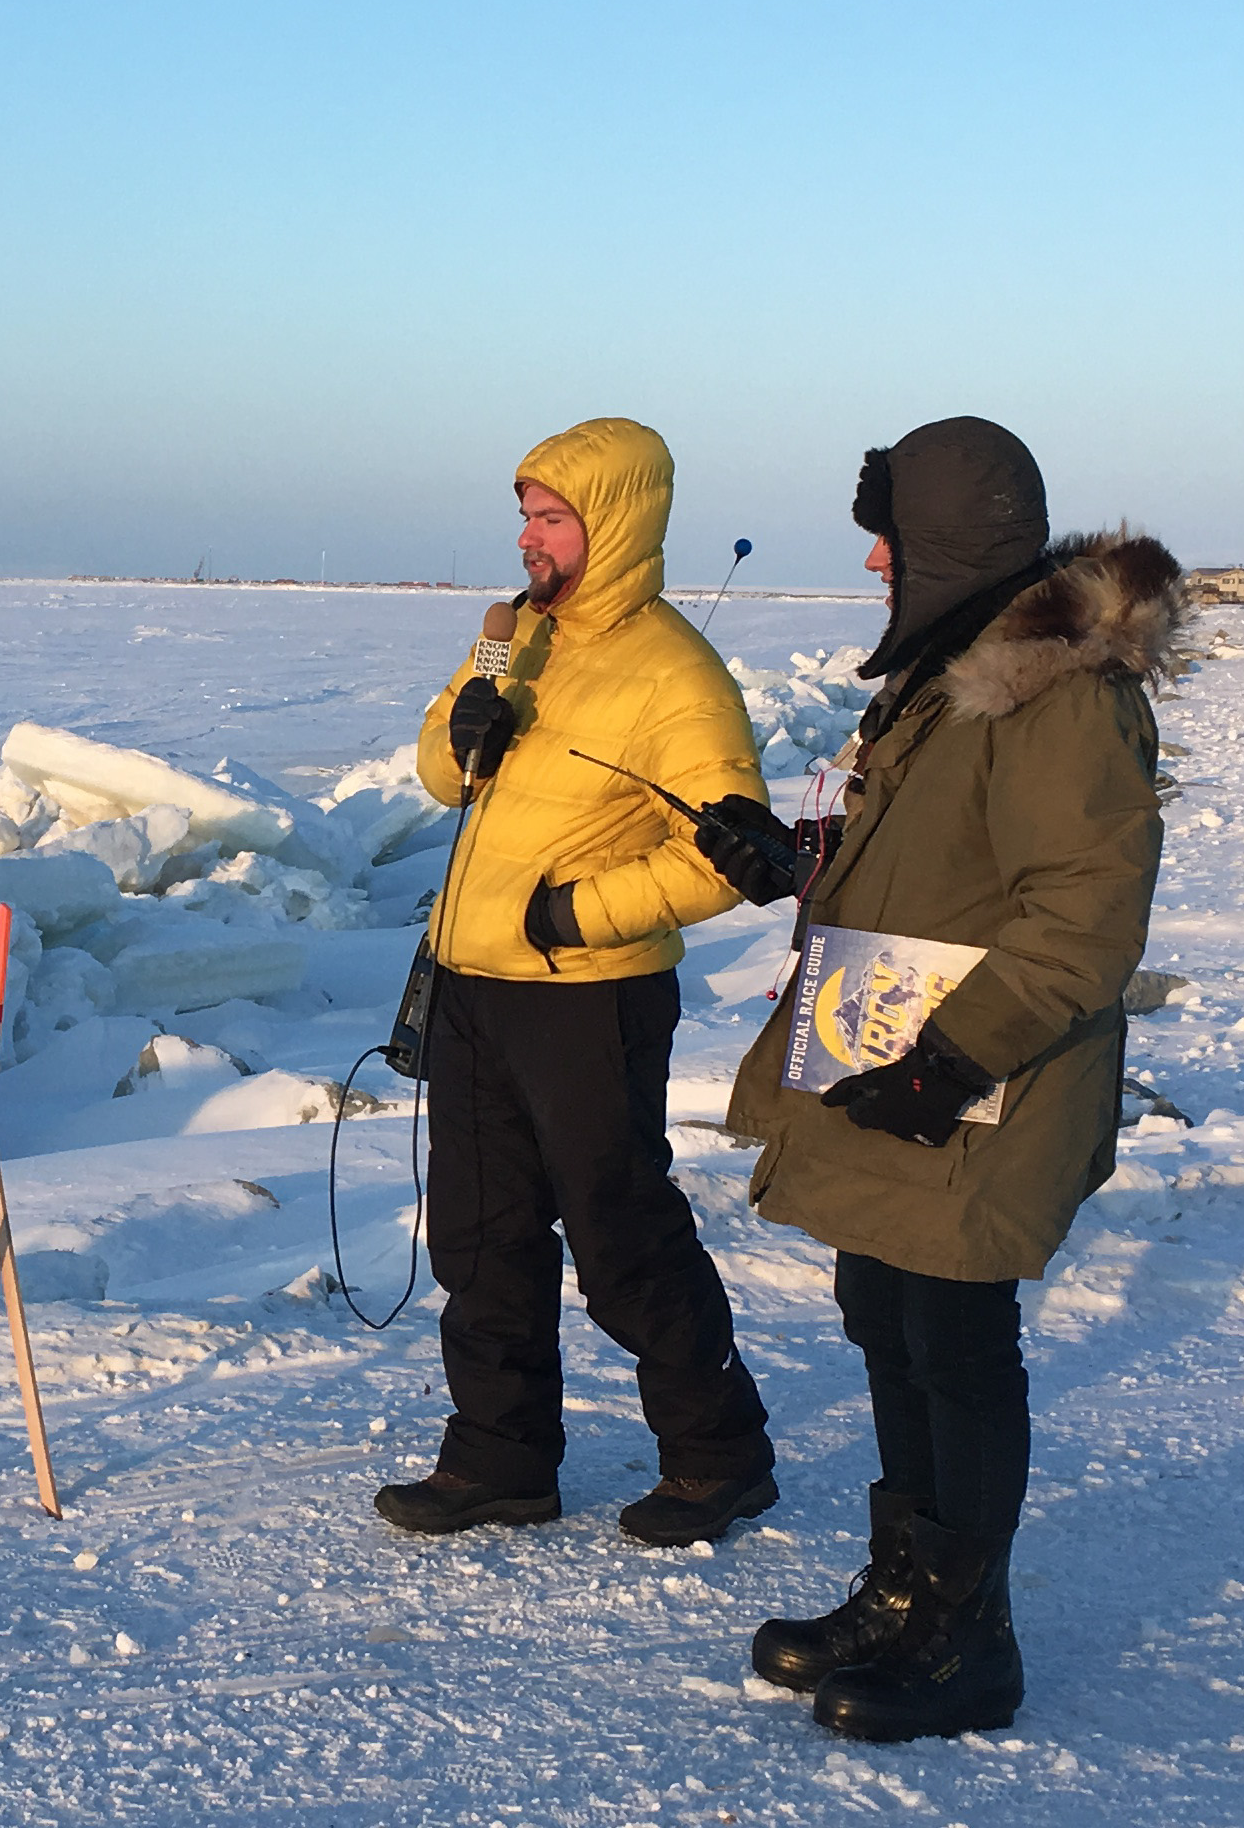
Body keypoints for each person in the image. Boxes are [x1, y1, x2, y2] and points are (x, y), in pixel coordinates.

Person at [727, 416, 1180, 1741]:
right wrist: (796, 855)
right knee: (883, 1309)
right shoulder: (954, 676)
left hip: (985, 1073)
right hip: (902, 1059)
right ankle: (906, 1591)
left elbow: (1086, 910)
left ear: (954, 544)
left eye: (896, 538)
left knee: (956, 1342)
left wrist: (953, 1061)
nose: (875, 563)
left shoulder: (1061, 693)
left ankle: (968, 1641)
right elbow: (933, 856)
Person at [377, 417, 792, 1546]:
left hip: (587, 995)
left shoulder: (677, 674)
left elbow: (726, 857)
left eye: (550, 517)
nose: (527, 538)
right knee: (477, 1236)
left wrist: (572, 915)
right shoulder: (516, 638)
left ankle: (719, 1456)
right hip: (473, 984)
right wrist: (464, 720)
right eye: (523, 514)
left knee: (621, 1236)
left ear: (612, 524)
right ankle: (500, 1459)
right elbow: (441, 776)